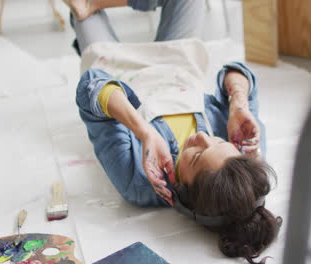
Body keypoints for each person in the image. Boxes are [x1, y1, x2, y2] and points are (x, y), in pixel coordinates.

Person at [67, 0, 282, 263]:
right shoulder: (247, 159)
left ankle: (89, 6)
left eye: (195, 156)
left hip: (114, 64)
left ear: (181, 191)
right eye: (218, 141)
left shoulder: (137, 180)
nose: (201, 138)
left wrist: (143, 131)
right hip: (175, 59)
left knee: (80, 8)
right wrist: (239, 101)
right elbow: (238, 71)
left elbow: (91, 87)